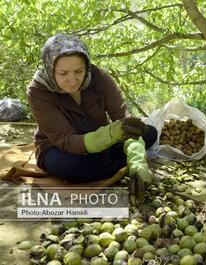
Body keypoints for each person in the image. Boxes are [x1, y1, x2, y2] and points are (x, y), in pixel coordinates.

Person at [27, 34, 158, 195]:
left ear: (86, 66)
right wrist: (111, 134)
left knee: (149, 132)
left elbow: (125, 119)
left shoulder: (100, 79)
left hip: (103, 144)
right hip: (59, 148)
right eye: (63, 73)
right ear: (50, 68)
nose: (73, 80)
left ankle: (109, 164)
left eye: (78, 71)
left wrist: (137, 161)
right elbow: (66, 140)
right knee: (71, 168)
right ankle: (111, 163)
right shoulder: (37, 91)